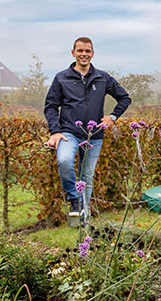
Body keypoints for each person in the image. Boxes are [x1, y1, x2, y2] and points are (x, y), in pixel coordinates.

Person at [44, 37, 131, 226]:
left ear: (92, 54)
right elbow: (50, 106)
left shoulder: (102, 78)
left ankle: (83, 219)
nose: (84, 54)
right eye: (80, 51)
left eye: (88, 51)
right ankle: (74, 200)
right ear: (73, 52)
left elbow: (124, 98)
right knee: (65, 161)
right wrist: (55, 131)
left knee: (86, 177)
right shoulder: (61, 78)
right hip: (69, 132)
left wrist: (112, 117)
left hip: (95, 135)